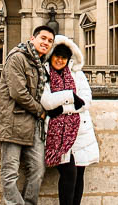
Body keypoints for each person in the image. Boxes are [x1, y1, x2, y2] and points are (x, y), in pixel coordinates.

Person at [0, 24, 55, 205]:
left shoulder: (42, 63)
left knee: (38, 169)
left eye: (50, 41)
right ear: (32, 38)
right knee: (10, 172)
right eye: (43, 38)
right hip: (14, 122)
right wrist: (40, 111)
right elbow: (18, 93)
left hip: (33, 125)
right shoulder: (17, 58)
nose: (46, 43)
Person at [40, 35, 99, 205]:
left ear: (69, 59)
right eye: (57, 56)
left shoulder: (77, 74)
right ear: (51, 56)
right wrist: (71, 96)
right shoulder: (44, 74)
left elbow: (85, 101)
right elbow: (47, 102)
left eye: (64, 57)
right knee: (69, 172)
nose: (60, 60)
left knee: (79, 172)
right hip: (56, 133)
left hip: (80, 131)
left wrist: (63, 108)